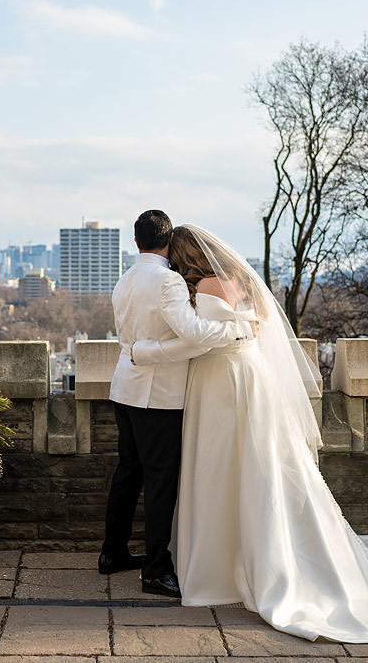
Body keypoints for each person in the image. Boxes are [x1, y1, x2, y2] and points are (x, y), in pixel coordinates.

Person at [130, 224, 368, 642]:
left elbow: (197, 340)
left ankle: (218, 567)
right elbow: (259, 325)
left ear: (184, 256)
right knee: (260, 462)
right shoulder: (240, 282)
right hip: (249, 376)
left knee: (219, 467)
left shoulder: (200, 289)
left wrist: (144, 352)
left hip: (221, 380)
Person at [101, 210, 254, 597]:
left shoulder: (123, 280)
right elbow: (196, 335)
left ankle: (112, 553)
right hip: (158, 397)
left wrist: (143, 351)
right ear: (168, 242)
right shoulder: (168, 282)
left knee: (127, 474)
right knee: (159, 483)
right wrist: (237, 329)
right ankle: (155, 570)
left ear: (136, 242)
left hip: (125, 390)